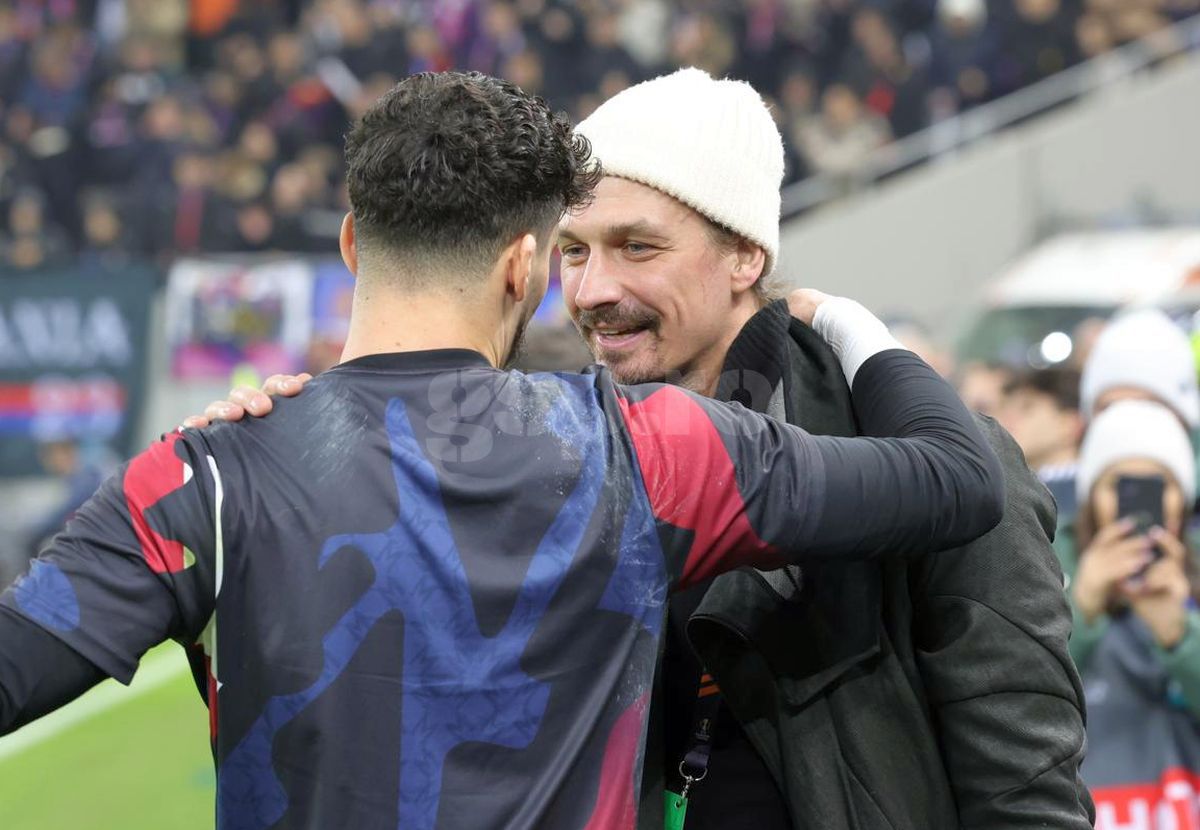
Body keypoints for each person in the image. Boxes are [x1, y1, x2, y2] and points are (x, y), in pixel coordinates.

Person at [0, 72, 1006, 829]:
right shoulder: (649, 449)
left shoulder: (206, 473)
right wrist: (845, 322)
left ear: (351, 243)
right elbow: (958, 477)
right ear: (523, 268)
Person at [1054, 401, 1200, 827]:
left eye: (1160, 484)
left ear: (1183, 497)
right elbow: (1018, 706)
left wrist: (1180, 634)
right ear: (1091, 497)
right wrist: (1079, 609)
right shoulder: (1047, 570)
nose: (1134, 506)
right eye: (1117, 485)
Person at [1000, 367, 1084, 521]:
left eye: (1027, 408)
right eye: (1005, 408)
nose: (1008, 418)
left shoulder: (1089, 492)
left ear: (1069, 425)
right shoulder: (1007, 490)